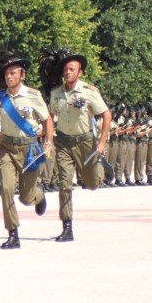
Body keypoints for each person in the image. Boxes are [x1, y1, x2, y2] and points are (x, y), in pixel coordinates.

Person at [44, 50, 113, 242]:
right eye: (65, 69)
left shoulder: (89, 92)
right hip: (64, 142)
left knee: (91, 184)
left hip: (85, 142)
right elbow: (49, 116)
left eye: (72, 69)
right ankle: (67, 226)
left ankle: (100, 167)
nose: (67, 72)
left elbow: (106, 115)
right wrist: (49, 140)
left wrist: (101, 143)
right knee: (64, 183)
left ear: (80, 72)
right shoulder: (56, 93)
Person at [0, 52, 53, 250]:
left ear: (22, 75)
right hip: (7, 147)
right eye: (7, 73)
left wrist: (49, 142)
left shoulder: (33, 96)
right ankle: (12, 233)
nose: (9, 77)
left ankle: (38, 195)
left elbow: (47, 119)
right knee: (7, 189)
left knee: (26, 197)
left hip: (29, 149)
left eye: (13, 73)